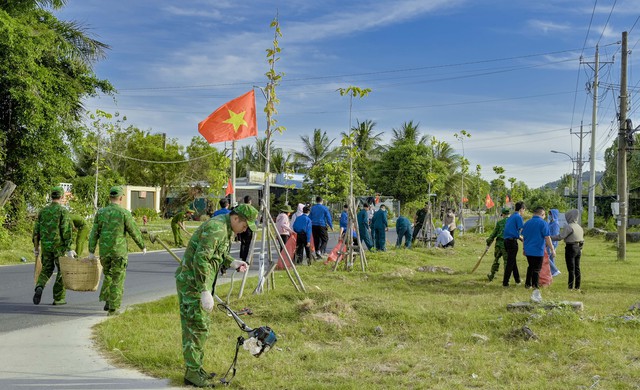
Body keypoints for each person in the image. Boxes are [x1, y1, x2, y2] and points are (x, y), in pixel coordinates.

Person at [175, 204, 255, 388]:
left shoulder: (224, 227)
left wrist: (232, 262)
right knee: (195, 327)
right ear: (236, 218)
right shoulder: (217, 229)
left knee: (201, 327)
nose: (245, 229)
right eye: (245, 224)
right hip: (193, 284)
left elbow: (215, 253)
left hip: (198, 283)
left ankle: (196, 368)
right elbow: (201, 259)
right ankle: (192, 373)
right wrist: (204, 290)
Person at [88, 186, 147, 315]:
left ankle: (107, 301)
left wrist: (91, 251)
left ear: (109, 197)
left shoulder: (101, 213)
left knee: (108, 276)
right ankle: (113, 309)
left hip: (105, 252)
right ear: (120, 198)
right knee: (117, 279)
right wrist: (142, 245)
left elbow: (94, 233)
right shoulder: (124, 213)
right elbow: (134, 231)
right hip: (119, 252)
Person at [32, 186, 74, 306]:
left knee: (46, 269)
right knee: (62, 271)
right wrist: (69, 247)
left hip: (46, 246)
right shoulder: (63, 211)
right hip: (59, 247)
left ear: (51, 196)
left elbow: (36, 230)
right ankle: (58, 298)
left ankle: (39, 286)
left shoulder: (43, 211)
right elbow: (65, 230)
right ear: (61, 197)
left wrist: (36, 246)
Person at [522, 207, 556, 302]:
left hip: (528, 250)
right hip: (538, 250)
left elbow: (524, 237)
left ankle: (527, 284)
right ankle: (535, 286)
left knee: (531, 267)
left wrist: (524, 248)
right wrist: (552, 249)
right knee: (537, 269)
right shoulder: (543, 223)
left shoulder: (527, 223)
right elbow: (547, 237)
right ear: (542, 214)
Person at [550, 209, 584, 291]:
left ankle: (570, 287)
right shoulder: (579, 227)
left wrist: (549, 237)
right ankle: (577, 287)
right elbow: (582, 240)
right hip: (578, 248)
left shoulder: (569, 227)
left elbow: (560, 237)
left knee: (571, 269)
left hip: (570, 248)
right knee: (577, 268)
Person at [502, 201, 525, 287]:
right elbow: (522, 230)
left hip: (506, 241)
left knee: (513, 261)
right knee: (510, 263)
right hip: (512, 242)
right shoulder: (518, 217)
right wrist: (524, 238)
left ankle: (517, 280)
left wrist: (519, 237)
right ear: (521, 209)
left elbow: (510, 230)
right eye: (524, 209)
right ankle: (505, 282)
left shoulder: (511, 216)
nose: (524, 211)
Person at [485, 208, 510, 282]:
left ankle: (492, 275)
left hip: (499, 244)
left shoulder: (499, 223)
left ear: (503, 214)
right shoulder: (511, 222)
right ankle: (506, 279)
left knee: (496, 259)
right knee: (506, 261)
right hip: (507, 243)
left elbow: (493, 234)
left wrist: (488, 243)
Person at [237, 195, 254, 264]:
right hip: (249, 227)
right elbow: (254, 218)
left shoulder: (240, 208)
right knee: (248, 243)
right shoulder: (252, 209)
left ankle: (242, 257)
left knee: (243, 243)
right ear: (250, 201)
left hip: (241, 226)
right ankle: (246, 257)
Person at [547, 208, 561, 277]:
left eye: (550, 214)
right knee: (551, 257)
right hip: (549, 242)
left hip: (552, 242)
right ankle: (552, 272)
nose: (549, 215)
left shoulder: (555, 224)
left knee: (547, 257)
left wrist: (553, 245)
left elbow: (555, 235)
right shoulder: (550, 223)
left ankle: (555, 270)